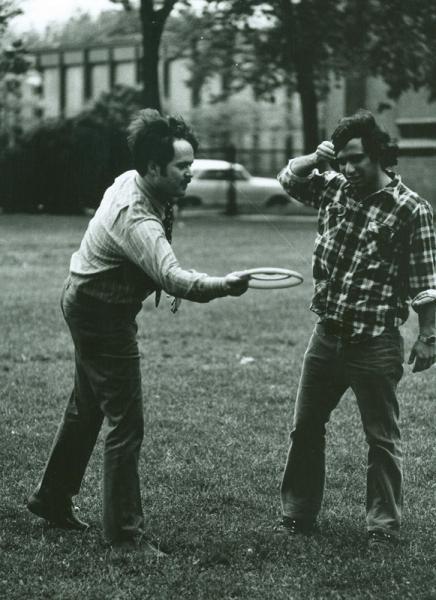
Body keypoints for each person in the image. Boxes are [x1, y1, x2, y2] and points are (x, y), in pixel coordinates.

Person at [27, 109, 250, 555]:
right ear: (152, 168)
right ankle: (125, 539)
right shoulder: (137, 218)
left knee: (86, 408)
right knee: (126, 423)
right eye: (181, 167)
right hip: (100, 315)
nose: (190, 174)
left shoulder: (135, 178)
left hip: (87, 301)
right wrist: (223, 285)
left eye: (191, 164)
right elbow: (173, 277)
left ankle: (51, 498)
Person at [276, 109, 436, 550]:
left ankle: (382, 526)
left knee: (381, 438)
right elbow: (288, 180)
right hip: (326, 337)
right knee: (305, 427)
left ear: (380, 156)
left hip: (376, 342)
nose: (348, 169)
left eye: (356, 160)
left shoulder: (411, 209)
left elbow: (426, 283)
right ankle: (297, 515)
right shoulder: (334, 189)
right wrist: (314, 156)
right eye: (342, 160)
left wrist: (428, 337)